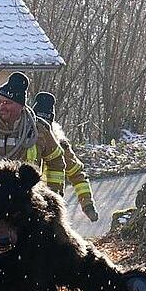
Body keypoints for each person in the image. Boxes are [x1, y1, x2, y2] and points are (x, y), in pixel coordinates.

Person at [32, 92, 100, 222]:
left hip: (51, 204)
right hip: (29, 199)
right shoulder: (23, 139)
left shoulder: (60, 145)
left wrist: (88, 205)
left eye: (45, 124)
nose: (41, 129)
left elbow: (77, 174)